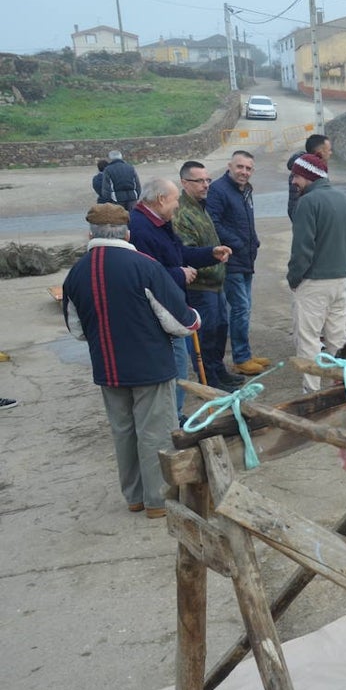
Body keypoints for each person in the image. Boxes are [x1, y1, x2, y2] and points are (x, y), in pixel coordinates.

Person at [63, 204, 202, 520]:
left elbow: (76, 330)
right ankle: (158, 499)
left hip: (107, 367)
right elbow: (180, 323)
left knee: (123, 431)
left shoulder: (77, 272)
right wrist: (196, 317)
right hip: (150, 365)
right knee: (156, 431)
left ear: (90, 233)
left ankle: (135, 497)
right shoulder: (145, 266)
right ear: (127, 233)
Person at [129, 177, 230, 422]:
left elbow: (177, 253)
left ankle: (173, 415)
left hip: (169, 306)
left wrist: (209, 254)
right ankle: (171, 418)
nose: (177, 205)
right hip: (158, 313)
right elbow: (147, 274)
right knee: (174, 366)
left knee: (176, 364)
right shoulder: (141, 228)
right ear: (161, 199)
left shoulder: (159, 222)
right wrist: (179, 273)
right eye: (175, 200)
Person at [287, 153, 346, 393]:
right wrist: (342, 270)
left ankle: (312, 393)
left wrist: (294, 279)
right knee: (337, 337)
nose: (293, 181)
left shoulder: (307, 202)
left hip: (313, 282)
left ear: (308, 176)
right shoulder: (345, 201)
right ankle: (341, 387)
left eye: (296, 176)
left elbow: (302, 250)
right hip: (340, 280)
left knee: (308, 340)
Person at [174, 162, 244, 392]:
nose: (206, 185)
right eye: (199, 181)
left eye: (207, 180)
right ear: (185, 183)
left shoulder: (200, 206)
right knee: (205, 335)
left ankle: (218, 370)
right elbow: (187, 252)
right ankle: (209, 380)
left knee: (219, 330)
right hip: (200, 286)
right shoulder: (182, 213)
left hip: (215, 283)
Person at [206, 150, 264, 375]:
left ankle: (245, 353)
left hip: (246, 258)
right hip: (231, 260)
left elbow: (246, 221)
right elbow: (214, 223)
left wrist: (254, 241)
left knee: (244, 308)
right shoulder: (219, 191)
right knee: (240, 308)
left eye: (248, 168)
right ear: (230, 166)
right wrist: (238, 243)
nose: (244, 172)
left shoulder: (245, 190)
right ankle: (240, 357)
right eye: (240, 167)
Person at [286, 134, 333, 221]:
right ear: (320, 151)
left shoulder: (319, 170)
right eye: (329, 150)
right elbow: (294, 209)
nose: (331, 153)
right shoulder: (300, 174)